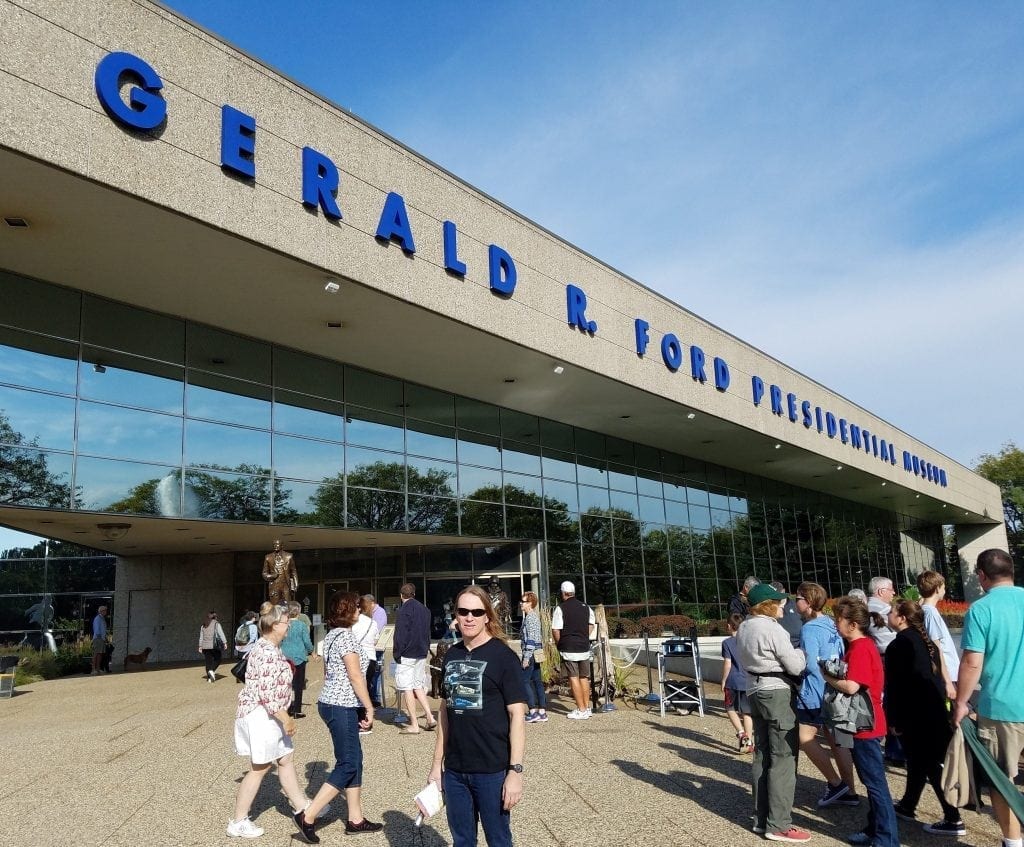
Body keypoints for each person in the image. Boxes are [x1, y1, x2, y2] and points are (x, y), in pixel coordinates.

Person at [428, 585, 526, 847]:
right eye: (463, 611)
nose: (469, 617)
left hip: (492, 770)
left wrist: (515, 771)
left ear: (487, 617)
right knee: (462, 840)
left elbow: (517, 715)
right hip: (456, 770)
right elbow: (445, 713)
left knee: (499, 840)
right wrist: (437, 765)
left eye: (476, 611)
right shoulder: (451, 655)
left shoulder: (504, 657)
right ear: (456, 617)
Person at [297, 591, 382, 839]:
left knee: (354, 760)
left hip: (332, 702)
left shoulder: (333, 636)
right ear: (347, 610)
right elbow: (356, 676)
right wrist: (369, 706)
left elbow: (328, 673)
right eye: (356, 607)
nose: (360, 610)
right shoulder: (347, 637)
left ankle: (355, 818)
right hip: (342, 705)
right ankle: (308, 814)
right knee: (347, 764)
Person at [953, 549, 1024, 847]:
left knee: (1001, 779)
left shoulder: (981, 610)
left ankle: (1013, 841)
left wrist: (960, 703)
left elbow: (972, 662)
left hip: (1002, 706)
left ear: (981, 575)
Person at [228, 602, 312, 840]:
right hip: (261, 715)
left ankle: (302, 806)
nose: (288, 627)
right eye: (286, 623)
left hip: (268, 715)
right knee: (260, 768)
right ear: (275, 626)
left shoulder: (269, 648)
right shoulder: (265, 651)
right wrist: (287, 719)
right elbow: (268, 694)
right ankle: (239, 820)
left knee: (285, 758)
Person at [735, 583, 809, 843]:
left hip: (753, 691)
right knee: (784, 758)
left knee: (762, 755)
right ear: (766, 605)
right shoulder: (773, 629)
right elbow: (794, 665)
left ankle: (761, 818)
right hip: (776, 691)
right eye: (778, 602)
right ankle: (779, 824)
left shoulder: (744, 627)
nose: (783, 605)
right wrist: (802, 653)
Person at [884, 599, 965, 836]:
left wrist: (895, 719)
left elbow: (897, 686)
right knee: (919, 761)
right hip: (933, 710)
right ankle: (908, 804)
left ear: (902, 618)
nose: (888, 615)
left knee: (928, 763)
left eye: (892, 612)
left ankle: (953, 817)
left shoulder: (900, 645)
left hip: (915, 714)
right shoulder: (926, 641)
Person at [823, 597, 898, 847]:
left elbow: (852, 686)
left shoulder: (861, 648)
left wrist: (827, 677)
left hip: (865, 724)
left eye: (839, 620)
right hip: (864, 722)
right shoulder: (862, 646)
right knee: (873, 782)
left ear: (853, 624)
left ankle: (886, 839)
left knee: (875, 784)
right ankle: (875, 829)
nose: (836, 624)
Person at [794, 582, 857, 808]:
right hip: (834, 692)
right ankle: (850, 790)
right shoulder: (832, 624)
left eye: (798, 599)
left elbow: (809, 664)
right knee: (837, 741)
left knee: (805, 738)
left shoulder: (809, 629)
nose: (795, 603)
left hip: (813, 692)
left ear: (808, 602)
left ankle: (836, 783)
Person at [865, 576, 902, 765]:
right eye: (891, 589)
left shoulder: (866, 610)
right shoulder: (884, 611)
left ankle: (892, 748)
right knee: (895, 702)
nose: (894, 593)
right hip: (890, 659)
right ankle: (896, 749)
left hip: (880, 660)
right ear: (880, 592)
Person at [394, 582, 436, 733]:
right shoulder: (425, 610)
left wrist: (397, 653)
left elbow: (400, 635)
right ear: (414, 594)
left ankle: (414, 724)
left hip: (407, 654)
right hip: (421, 652)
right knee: (418, 685)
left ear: (401, 595)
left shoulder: (403, 610)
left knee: (406, 687)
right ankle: (430, 717)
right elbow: (427, 632)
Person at [551, 580, 596, 720]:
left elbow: (555, 630)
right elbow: (591, 625)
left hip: (569, 647)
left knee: (573, 677)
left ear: (563, 593)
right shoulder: (586, 607)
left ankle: (581, 709)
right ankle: (587, 708)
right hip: (584, 646)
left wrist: (561, 643)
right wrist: (583, 636)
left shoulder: (561, 608)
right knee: (584, 677)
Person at [916, 570, 960, 693]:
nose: (944, 591)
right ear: (937, 589)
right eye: (944, 587)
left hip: (944, 673)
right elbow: (936, 648)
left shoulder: (923, 611)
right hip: (947, 673)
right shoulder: (930, 613)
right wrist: (947, 682)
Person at [720, 612, 753, 753]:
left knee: (730, 707)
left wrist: (723, 680)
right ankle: (749, 740)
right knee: (747, 712)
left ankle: (741, 733)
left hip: (733, 681)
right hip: (748, 681)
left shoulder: (727, 643)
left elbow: (728, 664)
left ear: (729, 626)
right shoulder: (749, 641)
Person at [281, 600, 313, 718]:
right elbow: (307, 641)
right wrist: (311, 651)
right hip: (299, 657)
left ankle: (287, 707)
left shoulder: (283, 624)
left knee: (285, 683)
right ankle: (297, 710)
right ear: (298, 612)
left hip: (284, 656)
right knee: (298, 684)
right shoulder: (301, 625)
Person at [519, 591, 547, 723]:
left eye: (523, 601)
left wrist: (526, 657)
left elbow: (530, 639)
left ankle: (532, 711)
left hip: (530, 654)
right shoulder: (533, 617)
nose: (521, 603)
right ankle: (542, 711)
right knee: (537, 681)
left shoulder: (530, 618)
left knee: (525, 681)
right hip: (537, 653)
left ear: (530, 603)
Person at [351, 604, 380, 732]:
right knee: (366, 688)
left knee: (357, 689)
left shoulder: (353, 623)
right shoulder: (372, 623)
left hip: (357, 657)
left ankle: (359, 720)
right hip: (371, 657)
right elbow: (376, 640)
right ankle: (367, 721)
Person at [360, 594, 387, 706]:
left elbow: (378, 631)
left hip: (376, 649)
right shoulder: (367, 615)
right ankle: (368, 697)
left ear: (372, 603)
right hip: (369, 649)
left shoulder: (380, 612)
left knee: (375, 673)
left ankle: (375, 697)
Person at [263, 539, 298, 604]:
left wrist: (295, 584)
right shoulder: (268, 557)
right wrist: (272, 576)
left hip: (286, 585)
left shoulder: (289, 556)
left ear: (282, 546)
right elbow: (264, 573)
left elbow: (293, 571)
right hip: (274, 585)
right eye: (274, 544)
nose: (275, 546)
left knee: (287, 606)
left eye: (277, 544)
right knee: (275, 606)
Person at [772, 581, 804, 649]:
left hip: (797, 647)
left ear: (783, 591)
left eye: (778, 594)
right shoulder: (770, 607)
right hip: (777, 646)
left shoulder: (796, 605)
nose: (776, 597)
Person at [198, 610, 227, 683]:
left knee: (208, 662)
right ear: (215, 617)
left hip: (205, 646)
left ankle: (209, 678)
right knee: (218, 659)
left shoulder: (203, 625)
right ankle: (211, 671)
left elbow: (201, 636)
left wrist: (200, 646)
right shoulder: (216, 624)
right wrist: (225, 642)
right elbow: (221, 633)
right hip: (214, 645)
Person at [234, 611, 259, 684]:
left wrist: (239, 645)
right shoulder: (253, 626)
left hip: (240, 647)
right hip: (249, 647)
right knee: (249, 663)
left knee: (241, 662)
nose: (255, 618)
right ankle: (245, 676)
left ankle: (239, 674)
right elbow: (254, 638)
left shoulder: (241, 626)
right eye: (254, 617)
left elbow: (236, 637)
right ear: (252, 618)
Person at [90, 605, 108, 675]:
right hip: (98, 638)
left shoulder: (102, 618)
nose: (105, 611)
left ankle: (98, 669)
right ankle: (93, 669)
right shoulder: (98, 618)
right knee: (96, 653)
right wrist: (100, 637)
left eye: (106, 610)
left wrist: (105, 638)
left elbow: (103, 629)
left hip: (102, 639)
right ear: (101, 611)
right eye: (104, 610)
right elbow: (97, 629)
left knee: (100, 654)